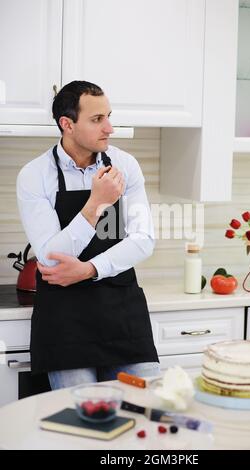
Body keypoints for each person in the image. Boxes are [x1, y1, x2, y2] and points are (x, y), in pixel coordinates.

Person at [17, 80, 160, 389]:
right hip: (65, 321)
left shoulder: (125, 166)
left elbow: (143, 239)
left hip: (122, 312)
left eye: (109, 116)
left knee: (146, 408)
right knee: (83, 426)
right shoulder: (34, 176)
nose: (109, 127)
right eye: (97, 119)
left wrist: (89, 269)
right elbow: (49, 256)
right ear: (67, 124)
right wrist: (96, 203)